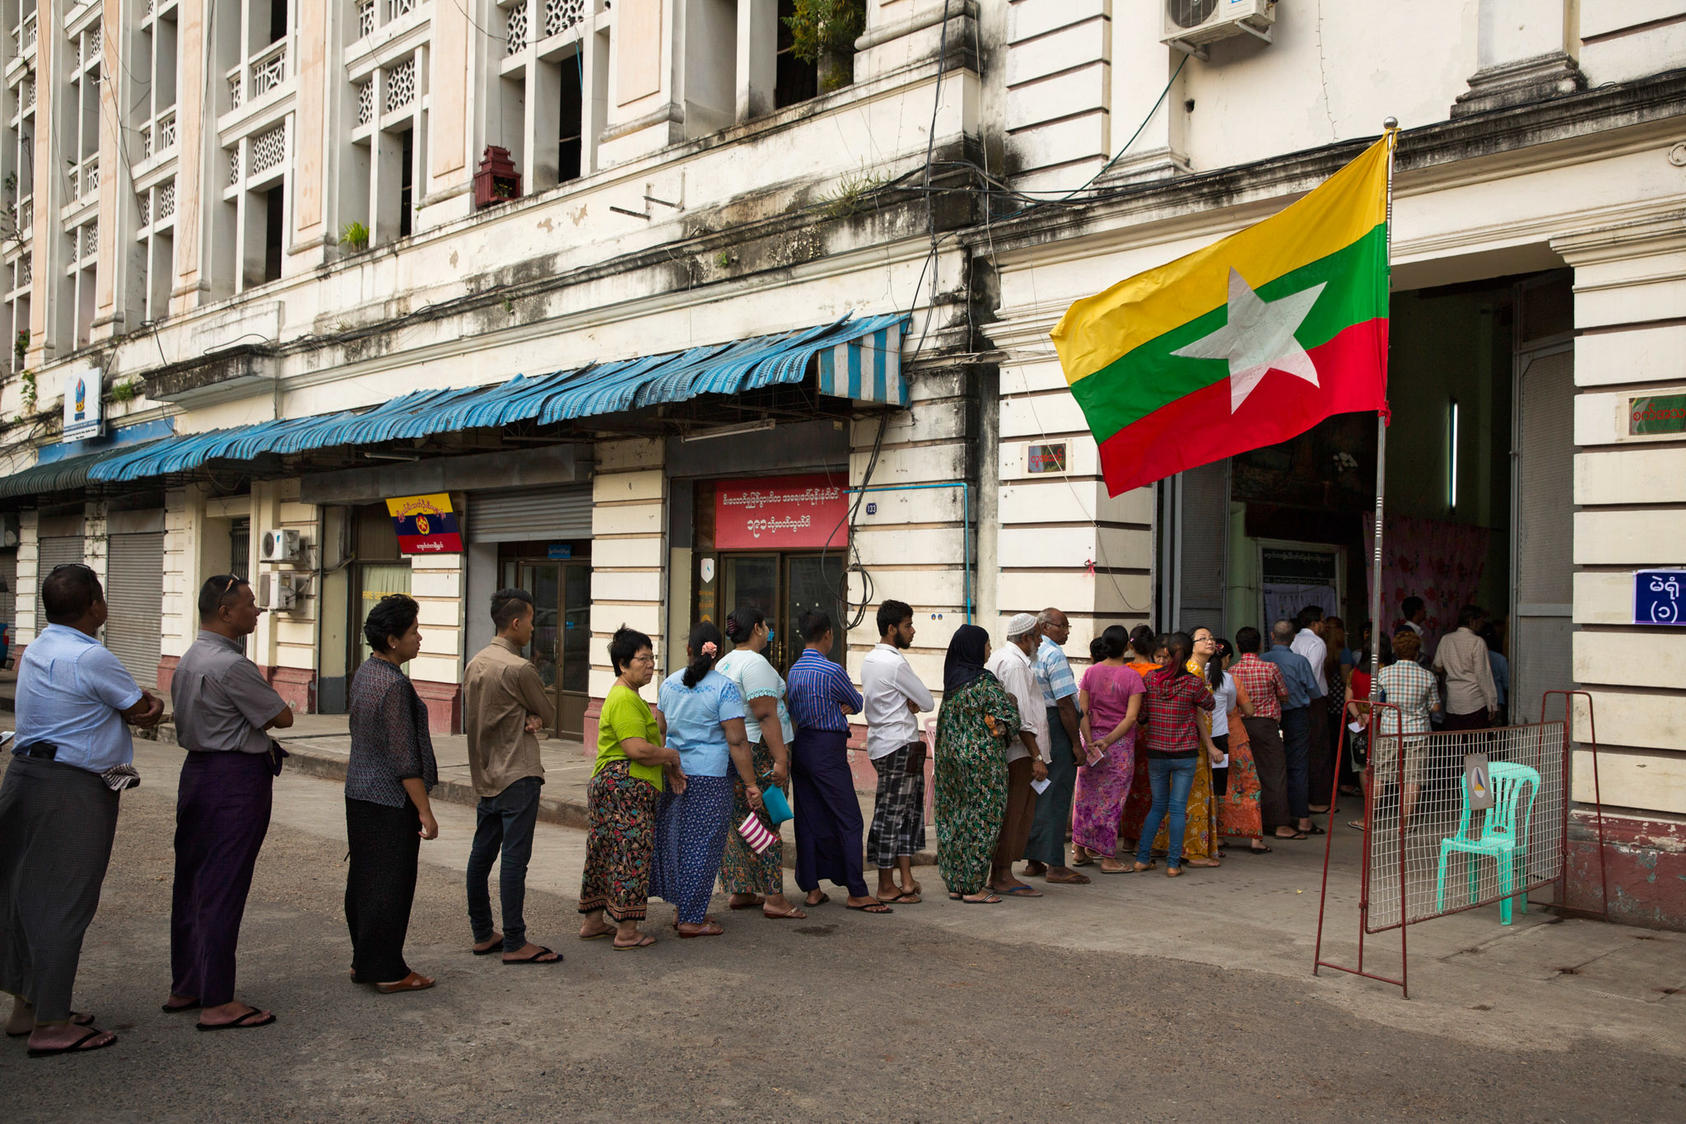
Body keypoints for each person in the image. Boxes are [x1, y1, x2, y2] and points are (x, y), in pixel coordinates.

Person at [1, 564, 162, 1056]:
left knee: (23, 895)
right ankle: (51, 1024)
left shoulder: (37, 648)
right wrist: (145, 707)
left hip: (25, 775)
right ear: (94, 605)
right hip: (71, 788)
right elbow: (142, 707)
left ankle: (28, 1006)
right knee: (65, 901)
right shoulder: (92, 656)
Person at [164, 574, 293, 1031]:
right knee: (223, 885)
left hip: (197, 773)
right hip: (233, 778)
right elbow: (282, 715)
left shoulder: (189, 658)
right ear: (225, 612)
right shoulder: (232, 665)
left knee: (194, 881)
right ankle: (217, 999)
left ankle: (189, 983)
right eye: (250, 605)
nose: (257, 611)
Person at [344, 594, 439, 993]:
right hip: (388, 798)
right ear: (393, 639)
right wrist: (425, 812)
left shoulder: (366, 673)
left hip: (359, 792)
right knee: (390, 886)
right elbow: (404, 759)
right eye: (414, 632)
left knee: (364, 881)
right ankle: (387, 970)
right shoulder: (394, 685)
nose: (420, 638)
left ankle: (363, 961)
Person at [463, 589, 560, 965]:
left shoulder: (476, 662)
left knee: (480, 856)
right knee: (514, 860)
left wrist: (524, 717)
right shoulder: (519, 668)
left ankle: (483, 932)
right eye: (532, 620)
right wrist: (530, 718)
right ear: (516, 623)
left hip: (486, 771)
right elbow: (547, 713)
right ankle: (516, 941)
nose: (534, 628)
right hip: (517, 772)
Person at [651, 621, 763, 935]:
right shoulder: (724, 688)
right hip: (711, 778)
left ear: (689, 651)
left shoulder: (669, 684)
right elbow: (738, 741)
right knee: (703, 847)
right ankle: (691, 919)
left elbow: (662, 729)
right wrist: (751, 783)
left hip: (675, 773)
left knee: (678, 844)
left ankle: (683, 910)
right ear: (719, 652)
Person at [578, 627, 684, 948]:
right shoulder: (624, 698)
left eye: (652, 658)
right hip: (626, 788)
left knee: (603, 853)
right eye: (643, 659)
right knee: (630, 855)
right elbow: (637, 749)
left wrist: (669, 767)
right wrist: (671, 755)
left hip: (613, 786)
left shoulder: (628, 695)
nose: (650, 664)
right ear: (623, 664)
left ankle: (594, 921)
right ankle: (627, 931)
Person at [785, 611, 890, 913]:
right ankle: (856, 890)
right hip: (827, 748)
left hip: (802, 743)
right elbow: (856, 703)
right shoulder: (831, 671)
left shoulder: (794, 671)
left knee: (808, 816)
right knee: (849, 818)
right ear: (828, 634)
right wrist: (837, 706)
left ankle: (812, 888)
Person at [715, 606, 806, 920]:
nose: (769, 630)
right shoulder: (754, 663)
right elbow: (765, 714)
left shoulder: (725, 662)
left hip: (736, 753)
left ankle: (742, 890)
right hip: (761, 752)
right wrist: (781, 759)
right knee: (767, 820)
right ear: (756, 627)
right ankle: (774, 897)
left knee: (742, 821)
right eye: (766, 625)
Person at [933, 625, 1021, 904]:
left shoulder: (952, 681)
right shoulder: (984, 683)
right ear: (974, 648)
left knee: (953, 820)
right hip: (982, 765)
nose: (989, 650)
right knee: (984, 820)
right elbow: (1007, 720)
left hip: (949, 762)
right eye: (986, 644)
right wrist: (1011, 703)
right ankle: (973, 887)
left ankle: (956, 882)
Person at [860, 600, 935, 905]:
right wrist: (910, 701)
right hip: (899, 745)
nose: (912, 630)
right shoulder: (895, 663)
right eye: (907, 625)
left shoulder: (870, 660)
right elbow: (927, 702)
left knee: (903, 813)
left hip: (883, 743)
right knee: (894, 815)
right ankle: (885, 884)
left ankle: (905, 879)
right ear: (892, 629)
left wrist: (908, 700)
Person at [1130, 633, 1215, 877]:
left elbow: (1143, 715)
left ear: (1165, 653)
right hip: (1185, 753)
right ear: (1188, 655)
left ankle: (1142, 859)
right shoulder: (1193, 683)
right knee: (1177, 809)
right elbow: (1210, 704)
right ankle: (1173, 864)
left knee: (1157, 807)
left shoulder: (1152, 679)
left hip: (1156, 751)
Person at [983, 613, 1049, 898]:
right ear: (1024, 638)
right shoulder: (1013, 664)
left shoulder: (1004, 658)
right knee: (1014, 814)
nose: (1040, 640)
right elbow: (1020, 716)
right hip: (1020, 752)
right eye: (1036, 635)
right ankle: (1002, 874)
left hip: (1017, 750)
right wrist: (1036, 756)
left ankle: (1001, 872)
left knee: (1013, 812)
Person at [1022, 607, 1088, 885]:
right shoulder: (1053, 655)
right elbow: (1064, 703)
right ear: (1046, 627)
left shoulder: (1029, 653)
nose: (1067, 631)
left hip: (1034, 726)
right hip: (1055, 725)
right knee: (1057, 794)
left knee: (1037, 792)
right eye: (1063, 626)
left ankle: (1034, 859)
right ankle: (1055, 865)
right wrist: (1076, 743)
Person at [1072, 626, 1144, 873]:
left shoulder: (1090, 672)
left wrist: (1090, 740)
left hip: (1091, 743)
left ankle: (1080, 850)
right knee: (1112, 802)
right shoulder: (1132, 677)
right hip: (1119, 746)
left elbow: (1082, 711)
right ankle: (1107, 858)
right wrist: (1109, 740)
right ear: (1127, 647)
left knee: (1085, 798)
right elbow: (1131, 717)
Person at [1259, 619, 1323, 838]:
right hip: (1296, 716)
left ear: (1272, 636)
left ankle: (1273, 817)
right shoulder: (1300, 661)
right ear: (1294, 637)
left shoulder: (1263, 659)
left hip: (1269, 718)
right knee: (1298, 766)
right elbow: (1314, 691)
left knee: (1271, 767)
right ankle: (1302, 819)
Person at [1371, 630, 1441, 828]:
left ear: (1396, 650)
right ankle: (1404, 821)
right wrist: (1423, 706)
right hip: (1418, 731)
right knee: (1413, 777)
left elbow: (1373, 702)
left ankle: (1369, 819)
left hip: (1390, 730)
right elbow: (1435, 706)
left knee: (1381, 775)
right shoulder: (1427, 676)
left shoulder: (1384, 673)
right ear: (1417, 651)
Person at [1228, 627, 1294, 840]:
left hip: (1240, 726)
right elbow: (1284, 695)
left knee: (1245, 774)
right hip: (1266, 725)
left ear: (1237, 647)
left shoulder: (1232, 671)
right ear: (1260, 646)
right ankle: (1279, 823)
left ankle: (1249, 822)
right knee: (1274, 772)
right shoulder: (1270, 668)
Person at [1208, 637, 1269, 853]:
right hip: (1234, 738)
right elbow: (1247, 710)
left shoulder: (1198, 677)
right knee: (1249, 785)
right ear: (1226, 659)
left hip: (1208, 740)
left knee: (1218, 787)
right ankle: (1254, 838)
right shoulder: (1230, 680)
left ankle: (1219, 835)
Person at [1290, 607, 1333, 816]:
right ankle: (1317, 799)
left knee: (1300, 749)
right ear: (1315, 623)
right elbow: (1313, 676)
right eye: (1323, 621)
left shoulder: (1294, 640)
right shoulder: (1317, 643)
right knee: (1318, 749)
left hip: (1294, 699)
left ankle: (1301, 797)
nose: (1324, 626)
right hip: (1312, 700)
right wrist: (1309, 697)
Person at [1434, 605, 1498, 732]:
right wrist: (1492, 704)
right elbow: (1483, 676)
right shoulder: (1477, 642)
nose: (1482, 624)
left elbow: (1438, 666)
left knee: (1456, 746)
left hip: (1453, 701)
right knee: (1475, 745)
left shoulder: (1446, 639)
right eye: (1481, 620)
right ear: (1472, 620)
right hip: (1474, 702)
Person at [1482, 622, 1510, 728]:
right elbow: (1507, 684)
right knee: (1496, 734)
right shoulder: (1500, 659)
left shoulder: (1475, 656)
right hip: (1497, 699)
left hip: (1479, 700)